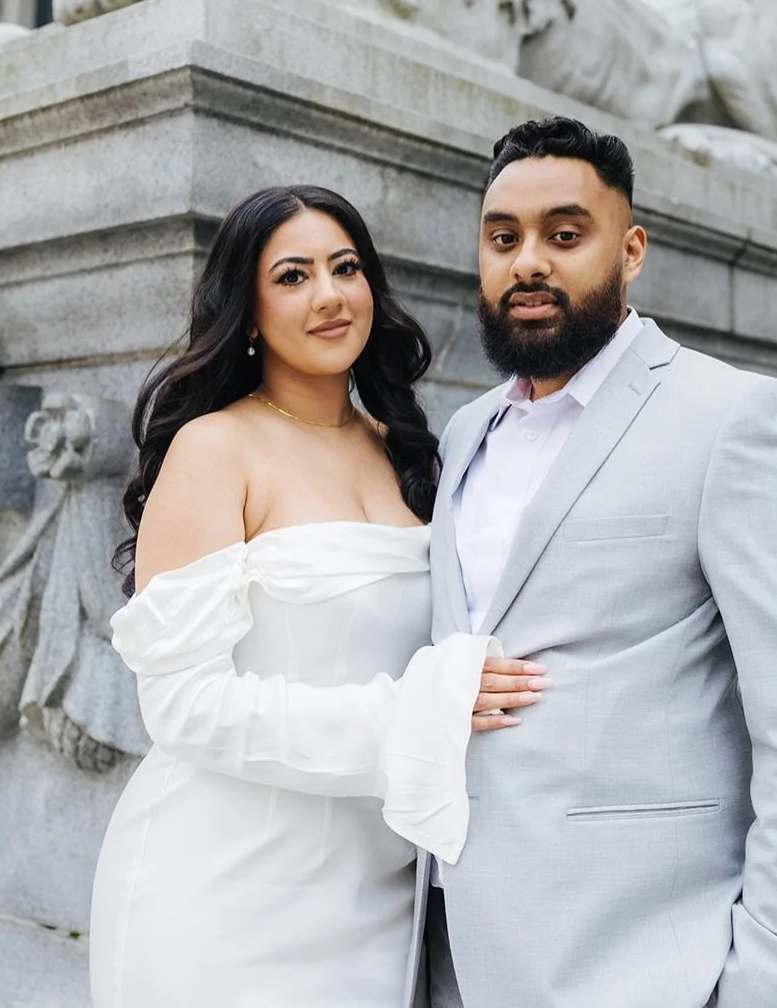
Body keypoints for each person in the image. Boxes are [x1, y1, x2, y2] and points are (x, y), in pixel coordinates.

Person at [421, 116, 777, 1008]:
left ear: (630, 251)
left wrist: (765, 982)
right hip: (451, 946)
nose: (527, 263)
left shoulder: (731, 417)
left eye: (564, 235)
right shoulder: (466, 432)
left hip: (638, 963)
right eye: (502, 239)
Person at [88, 185, 544, 1008]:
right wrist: (420, 710)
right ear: (247, 311)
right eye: (293, 276)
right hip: (224, 891)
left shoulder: (408, 451)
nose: (329, 295)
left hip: (381, 891)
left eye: (346, 268)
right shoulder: (213, 448)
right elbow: (183, 706)